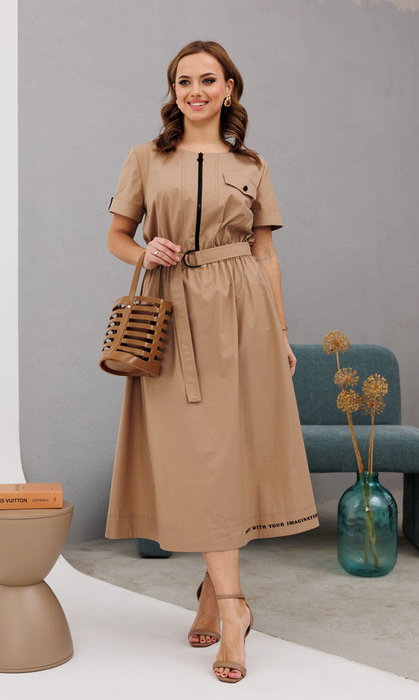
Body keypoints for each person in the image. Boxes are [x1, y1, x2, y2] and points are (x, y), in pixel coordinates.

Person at [104, 40, 319, 683]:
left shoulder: (253, 164)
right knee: (199, 458)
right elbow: (117, 236)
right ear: (173, 92)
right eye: (183, 82)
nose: (194, 91)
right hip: (173, 318)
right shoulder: (145, 157)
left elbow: (265, 254)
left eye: (206, 80)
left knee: (225, 456)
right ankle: (230, 602)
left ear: (229, 88)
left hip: (243, 315)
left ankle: (223, 604)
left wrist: (281, 332)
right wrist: (145, 252)